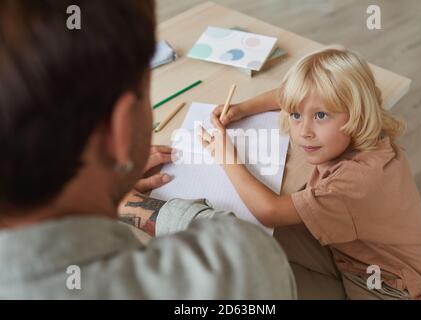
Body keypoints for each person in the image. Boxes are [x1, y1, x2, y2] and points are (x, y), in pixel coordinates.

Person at [0, 0, 296, 299]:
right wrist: (134, 205)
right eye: (146, 96)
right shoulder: (232, 270)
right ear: (120, 129)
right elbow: (244, 253)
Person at [198, 46, 421, 299]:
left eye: (320, 115)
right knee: (250, 242)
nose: (303, 132)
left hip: (387, 286)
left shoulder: (356, 181)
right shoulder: (366, 120)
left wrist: (225, 156)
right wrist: (242, 109)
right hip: (351, 252)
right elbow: (289, 96)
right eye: (296, 115)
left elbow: (270, 211)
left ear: (357, 112)